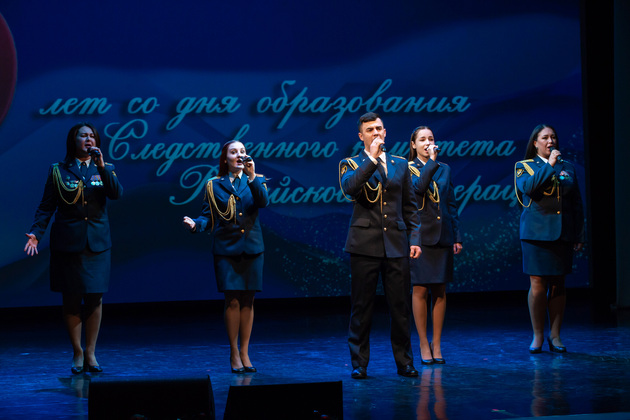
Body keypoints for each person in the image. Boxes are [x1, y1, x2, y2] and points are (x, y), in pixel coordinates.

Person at [24, 122, 123, 374]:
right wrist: (36, 233)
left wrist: (101, 166)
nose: (88, 139)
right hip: (68, 243)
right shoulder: (58, 170)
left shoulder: (106, 168)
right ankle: (77, 351)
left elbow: (116, 194)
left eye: (92, 136)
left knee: (94, 297)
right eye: (83, 136)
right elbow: (46, 206)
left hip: (97, 243)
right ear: (74, 140)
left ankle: (91, 352)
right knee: (70, 297)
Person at [339, 112, 421, 379]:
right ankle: (359, 363)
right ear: (361, 136)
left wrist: (414, 238)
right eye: (370, 130)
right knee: (362, 307)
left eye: (379, 128)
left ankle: (405, 362)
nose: (375, 133)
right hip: (364, 245)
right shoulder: (350, 163)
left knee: (400, 307)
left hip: (396, 244)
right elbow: (351, 188)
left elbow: (409, 206)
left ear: (385, 132)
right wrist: (372, 159)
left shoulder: (400, 164)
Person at [182, 140, 269, 373]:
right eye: (234, 152)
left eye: (243, 151)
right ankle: (233, 352)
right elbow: (207, 216)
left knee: (248, 301)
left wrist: (252, 176)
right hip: (226, 249)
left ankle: (245, 352)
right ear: (225, 158)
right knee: (232, 300)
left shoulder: (256, 180)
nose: (239, 155)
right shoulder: (214, 185)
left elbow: (263, 202)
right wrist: (196, 225)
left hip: (252, 248)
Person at [514, 124, 584, 354]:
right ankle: (537, 335)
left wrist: (578, 234)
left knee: (558, 284)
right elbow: (529, 188)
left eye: (553, 137)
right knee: (537, 284)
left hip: (562, 233)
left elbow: (576, 203)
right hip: (535, 235)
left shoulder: (568, 167)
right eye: (545, 137)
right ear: (535, 143)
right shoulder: (524, 166)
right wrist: (549, 165)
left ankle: (555, 335)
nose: (550, 141)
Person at [408, 126, 462, 365]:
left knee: (440, 291)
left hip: (443, 235)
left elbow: (451, 203)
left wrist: (457, 235)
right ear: (413, 145)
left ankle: (437, 343)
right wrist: (431, 162)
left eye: (431, 138)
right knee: (420, 290)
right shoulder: (407, 168)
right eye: (422, 139)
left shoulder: (445, 169)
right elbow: (418, 189)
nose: (428, 142)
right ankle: (423, 342)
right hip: (420, 237)